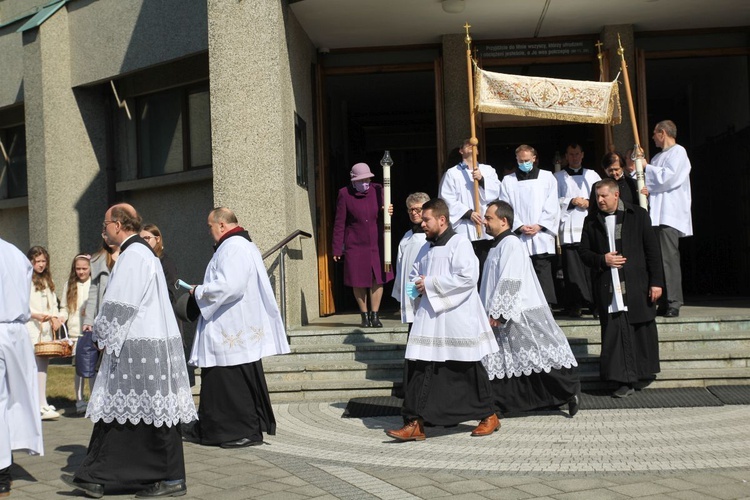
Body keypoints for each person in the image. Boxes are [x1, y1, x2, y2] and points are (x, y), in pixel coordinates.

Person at [61, 203, 197, 499]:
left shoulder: (133, 255)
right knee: (142, 413)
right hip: (145, 344)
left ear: (118, 225)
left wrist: (99, 335)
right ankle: (100, 475)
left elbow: (118, 305)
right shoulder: (141, 253)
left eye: (105, 224)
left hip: (137, 347)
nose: (103, 230)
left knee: (143, 413)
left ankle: (160, 477)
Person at [385, 198, 500, 442]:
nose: (422, 224)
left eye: (426, 220)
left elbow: (468, 278)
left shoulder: (460, 243)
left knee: (468, 368)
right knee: (422, 367)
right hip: (429, 317)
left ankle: (489, 415)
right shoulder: (425, 247)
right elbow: (413, 277)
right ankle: (415, 422)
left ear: (442, 220)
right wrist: (414, 289)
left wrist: (429, 283)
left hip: (457, 317)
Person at [185, 207, 290, 449]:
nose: (209, 232)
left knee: (234, 385)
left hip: (231, 327)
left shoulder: (233, 247)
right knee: (224, 382)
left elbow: (231, 286)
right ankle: (216, 429)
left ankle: (243, 432)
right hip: (231, 327)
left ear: (221, 225)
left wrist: (199, 291)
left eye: (210, 227)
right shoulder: (239, 245)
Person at [479, 201, 580, 416]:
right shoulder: (496, 244)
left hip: (518, 313)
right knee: (509, 361)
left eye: (489, 218)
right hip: (495, 314)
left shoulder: (511, 244)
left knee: (538, 355)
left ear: (503, 221)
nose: (485, 221)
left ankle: (569, 392)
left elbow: (511, 278)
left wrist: (500, 312)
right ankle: (506, 404)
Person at [579, 179, 664, 398]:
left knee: (639, 328)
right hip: (609, 286)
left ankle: (640, 373)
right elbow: (584, 252)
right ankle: (621, 379)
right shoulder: (592, 220)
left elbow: (652, 251)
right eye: (597, 196)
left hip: (636, 284)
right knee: (615, 331)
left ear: (616, 195)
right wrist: (602, 260)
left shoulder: (638, 215)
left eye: (604, 196)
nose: (599, 200)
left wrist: (656, 282)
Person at [0, 237, 44, 497]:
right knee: (15, 400)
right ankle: (6, 463)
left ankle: (3, 470)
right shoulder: (15, 253)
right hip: (16, 331)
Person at [642, 119, 693, 318]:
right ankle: (662, 300)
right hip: (656, 213)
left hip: (670, 213)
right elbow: (652, 180)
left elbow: (670, 177)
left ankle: (674, 301)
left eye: (655, 133)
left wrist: (647, 168)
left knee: (668, 258)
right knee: (657, 259)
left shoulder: (678, 152)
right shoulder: (656, 158)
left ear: (662, 133)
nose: (653, 137)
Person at [332, 162, 394, 328]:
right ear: (353, 180)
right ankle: (364, 315)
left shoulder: (378, 190)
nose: (364, 183)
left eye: (367, 179)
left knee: (377, 278)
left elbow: (384, 212)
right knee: (358, 280)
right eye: (361, 180)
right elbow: (340, 223)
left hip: (376, 242)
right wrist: (337, 247)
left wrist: (387, 211)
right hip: (355, 243)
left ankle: (375, 314)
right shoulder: (344, 194)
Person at [499, 144, 560, 305]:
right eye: (521, 160)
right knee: (520, 270)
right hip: (519, 234)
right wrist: (519, 226)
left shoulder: (547, 177)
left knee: (542, 270)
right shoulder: (508, 181)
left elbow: (552, 204)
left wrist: (540, 225)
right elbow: (506, 207)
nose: (524, 163)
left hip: (540, 234)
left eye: (527, 160)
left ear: (534, 158)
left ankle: (547, 306)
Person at [555, 143, 600, 317]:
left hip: (587, 226)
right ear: (566, 156)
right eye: (571, 154)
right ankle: (576, 303)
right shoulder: (558, 177)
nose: (574, 157)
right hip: (569, 226)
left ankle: (595, 304)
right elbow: (552, 200)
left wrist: (590, 203)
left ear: (582, 155)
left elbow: (601, 195)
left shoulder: (592, 175)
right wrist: (572, 201)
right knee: (571, 269)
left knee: (590, 267)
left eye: (577, 154)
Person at [25, 246, 65, 421]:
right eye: (37, 261)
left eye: (43, 261)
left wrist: (55, 317)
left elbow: (53, 304)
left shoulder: (47, 280)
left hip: (45, 328)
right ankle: (35, 403)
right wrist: (35, 315)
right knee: (32, 366)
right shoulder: (26, 279)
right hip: (32, 327)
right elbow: (22, 304)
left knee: (43, 364)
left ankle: (42, 401)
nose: (41, 265)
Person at [438, 138, 501, 241]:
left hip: (485, 224)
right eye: (467, 144)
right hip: (464, 225)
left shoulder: (488, 170)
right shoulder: (452, 173)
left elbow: (498, 192)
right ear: (461, 151)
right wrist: (468, 213)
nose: (471, 145)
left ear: (478, 151)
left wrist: (482, 180)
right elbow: (446, 199)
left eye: (474, 145)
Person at [60, 254, 93, 415]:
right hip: (75, 333)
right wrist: (61, 318)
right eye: (78, 268)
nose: (81, 272)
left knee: (92, 368)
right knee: (79, 369)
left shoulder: (94, 285)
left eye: (84, 268)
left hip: (91, 331)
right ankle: (80, 400)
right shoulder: (69, 285)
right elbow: (64, 308)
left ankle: (93, 400)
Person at [391, 192, 429, 325]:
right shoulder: (406, 236)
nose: (414, 213)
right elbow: (400, 265)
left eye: (418, 209)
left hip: (425, 288)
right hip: (410, 290)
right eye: (411, 209)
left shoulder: (432, 236)